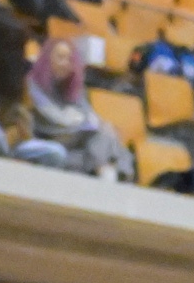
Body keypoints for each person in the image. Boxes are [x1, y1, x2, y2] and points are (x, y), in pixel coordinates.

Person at [27, 37, 130, 179]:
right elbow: (52, 122)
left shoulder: (75, 91)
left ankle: (108, 174)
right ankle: (110, 178)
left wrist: (90, 124)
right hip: (48, 144)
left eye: (69, 60)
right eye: (60, 57)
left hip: (74, 150)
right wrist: (84, 123)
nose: (65, 63)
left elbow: (89, 117)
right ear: (47, 59)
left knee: (105, 138)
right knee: (103, 136)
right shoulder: (32, 85)